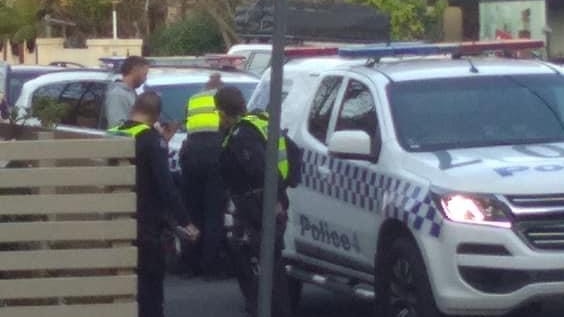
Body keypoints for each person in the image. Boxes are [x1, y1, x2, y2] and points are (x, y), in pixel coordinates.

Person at [108, 91, 199, 317]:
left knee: (122, 285)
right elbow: (165, 187)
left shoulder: (113, 134)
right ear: (156, 115)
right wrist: (186, 222)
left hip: (114, 221)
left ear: (134, 109)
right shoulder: (151, 140)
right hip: (145, 225)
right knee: (150, 290)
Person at [216, 86, 291, 317]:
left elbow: (262, 170)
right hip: (267, 203)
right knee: (268, 262)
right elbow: (292, 155)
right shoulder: (261, 121)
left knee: (257, 261)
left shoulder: (243, 134)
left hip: (257, 205)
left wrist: (274, 199)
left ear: (223, 111)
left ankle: (265, 309)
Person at [178, 73, 228, 278]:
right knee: (213, 215)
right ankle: (211, 266)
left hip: (191, 156)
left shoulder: (194, 99)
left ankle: (191, 264)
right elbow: (229, 126)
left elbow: (187, 125)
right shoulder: (223, 101)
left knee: (193, 213)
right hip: (215, 157)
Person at [105, 56, 149, 127]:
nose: (145, 78)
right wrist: (143, 128)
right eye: (144, 74)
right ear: (134, 71)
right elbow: (118, 128)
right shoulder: (118, 95)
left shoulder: (131, 93)